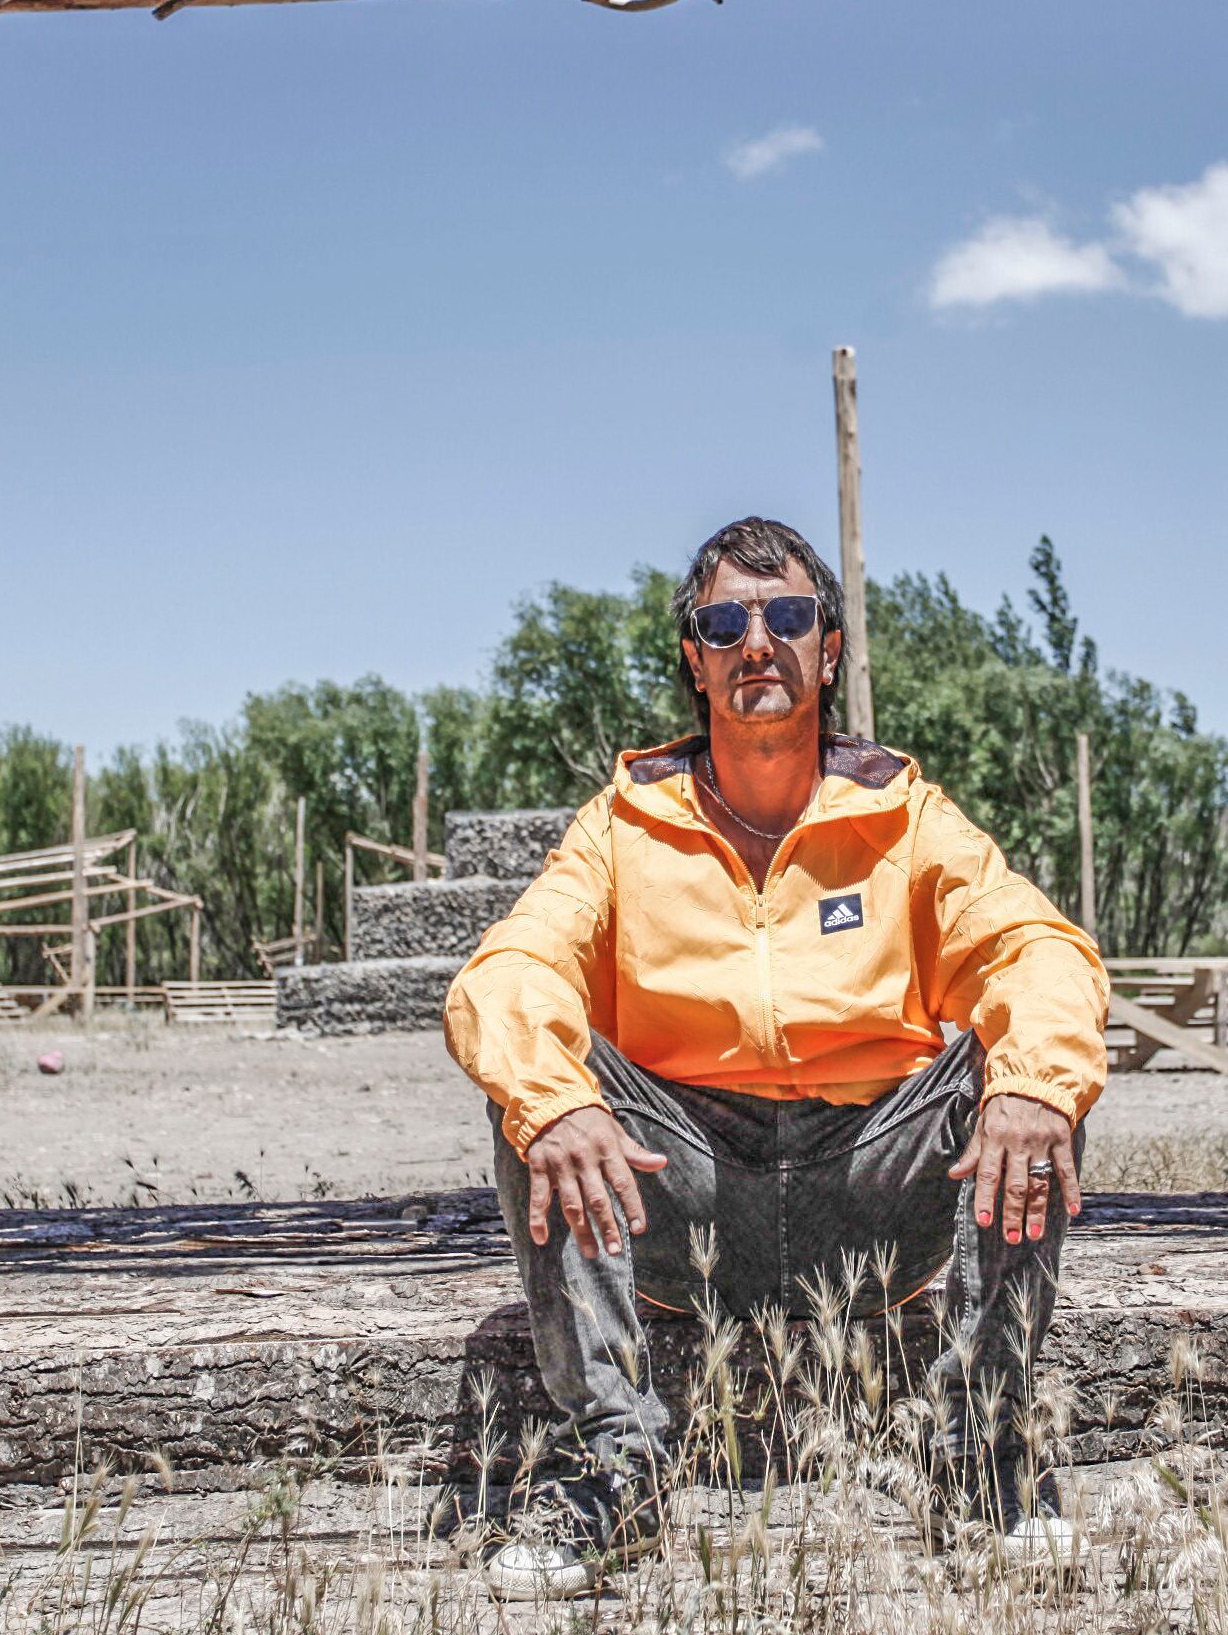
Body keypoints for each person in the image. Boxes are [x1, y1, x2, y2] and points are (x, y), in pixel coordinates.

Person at [443, 516, 1110, 1598]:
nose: (760, 642)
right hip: (683, 1185)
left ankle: (980, 1449)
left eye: (789, 615)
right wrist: (555, 1100)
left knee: (1030, 1064)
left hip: (878, 1181)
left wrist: (1031, 1083)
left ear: (830, 648)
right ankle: (614, 1461)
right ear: (695, 659)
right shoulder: (623, 823)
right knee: (538, 1078)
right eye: (726, 622)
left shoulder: (903, 813)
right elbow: (512, 964)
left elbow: (1036, 945)